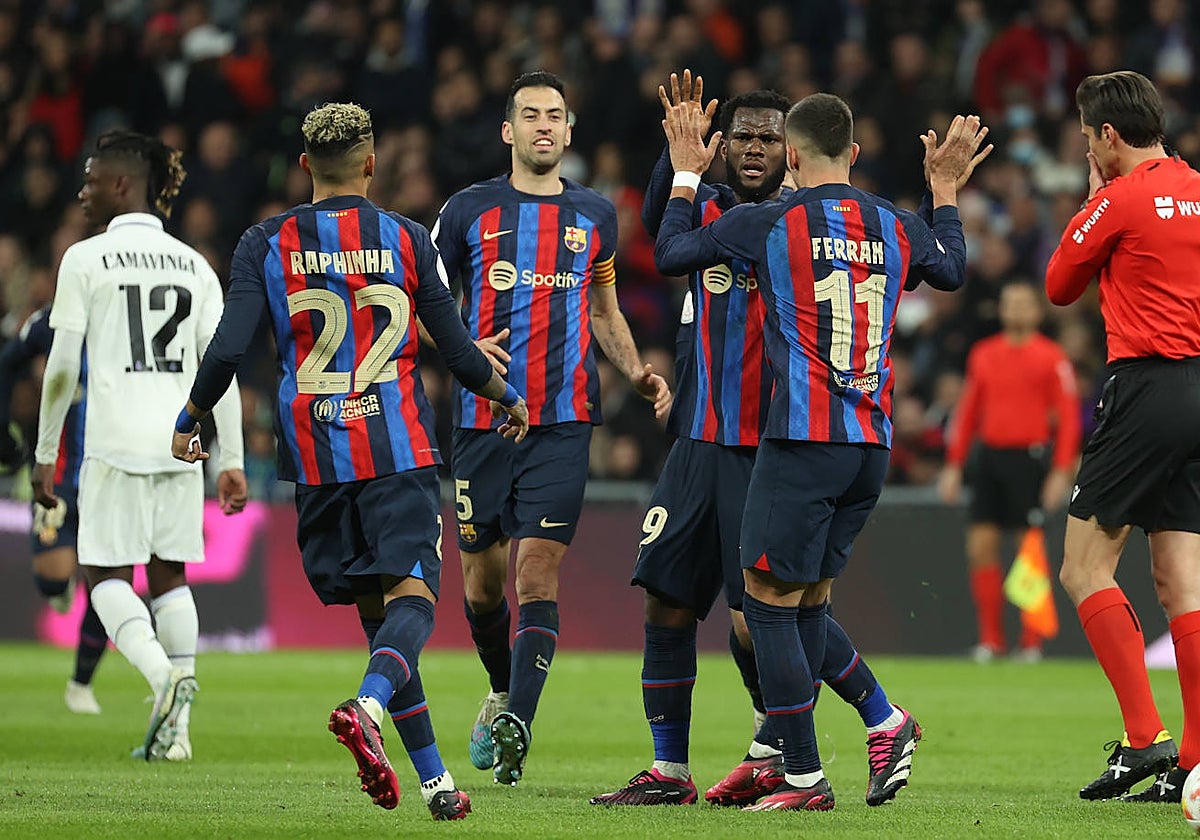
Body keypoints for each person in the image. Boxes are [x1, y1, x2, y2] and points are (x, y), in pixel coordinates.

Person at [591, 72, 955, 809]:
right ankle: (672, 770)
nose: (755, 149)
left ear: (789, 151)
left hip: (777, 441)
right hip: (700, 437)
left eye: (768, 137)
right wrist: (677, 155)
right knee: (667, 598)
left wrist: (686, 169)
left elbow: (668, 244)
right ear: (725, 149)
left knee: (762, 620)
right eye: (743, 138)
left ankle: (792, 748)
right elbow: (664, 222)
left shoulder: (778, 225)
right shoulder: (726, 211)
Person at [172, 102, 529, 821]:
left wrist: (193, 414)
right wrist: (507, 396)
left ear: (304, 166)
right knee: (415, 603)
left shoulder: (264, 241)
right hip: (394, 450)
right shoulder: (402, 237)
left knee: (380, 620)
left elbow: (231, 346)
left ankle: (434, 783)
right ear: (371, 164)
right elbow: (457, 350)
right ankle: (367, 708)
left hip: (315, 458)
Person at [432, 70, 671, 786]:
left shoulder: (594, 215)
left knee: (536, 575)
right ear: (508, 131)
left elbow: (604, 308)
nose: (543, 126)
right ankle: (505, 690)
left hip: (564, 421)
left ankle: (517, 727)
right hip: (481, 418)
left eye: (555, 116)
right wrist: (465, 353)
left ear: (569, 132)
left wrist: (633, 370)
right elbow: (423, 301)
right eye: (530, 115)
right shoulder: (469, 210)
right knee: (481, 588)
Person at [32, 130, 247, 761]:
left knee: (102, 573)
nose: (84, 189)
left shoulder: (85, 258)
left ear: (124, 184)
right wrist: (229, 458)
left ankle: (164, 683)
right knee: (170, 576)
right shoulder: (195, 265)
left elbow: (63, 367)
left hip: (116, 441)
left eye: (93, 177)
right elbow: (221, 367)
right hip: (184, 442)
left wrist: (46, 451)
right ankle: (177, 740)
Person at [1045, 69, 1200, 803]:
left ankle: (1145, 741)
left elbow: (1058, 284)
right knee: (1180, 579)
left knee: (1083, 566)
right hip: (1199, 391)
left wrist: (1092, 196)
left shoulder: (1117, 197)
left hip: (1146, 388)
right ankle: (1196, 761)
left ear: (1107, 135)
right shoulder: (1198, 188)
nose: (1087, 149)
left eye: (1087, 138)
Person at [938, 280, 1081, 663]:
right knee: (980, 548)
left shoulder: (1052, 357)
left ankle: (1032, 641)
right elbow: (968, 412)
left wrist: (1061, 470)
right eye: (1009, 303)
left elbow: (1068, 418)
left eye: (1022, 303)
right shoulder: (984, 354)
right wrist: (954, 464)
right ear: (1001, 310)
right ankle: (992, 640)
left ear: (1037, 311)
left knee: (1028, 552)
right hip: (989, 457)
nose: (1015, 310)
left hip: (1029, 460)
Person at [0, 306, 107, 714]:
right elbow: (9, 361)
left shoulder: (132, 313)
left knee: (107, 587)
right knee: (52, 581)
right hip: (57, 479)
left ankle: (81, 684)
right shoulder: (51, 322)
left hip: (112, 477)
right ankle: (62, 586)